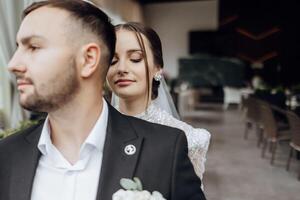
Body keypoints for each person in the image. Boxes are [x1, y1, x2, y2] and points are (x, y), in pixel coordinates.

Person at [0, 1, 206, 200]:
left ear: (90, 59)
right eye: (114, 60)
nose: (13, 64)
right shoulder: (7, 154)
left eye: (34, 47)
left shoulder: (166, 148)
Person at [107, 22, 211, 187]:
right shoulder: (94, 131)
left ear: (157, 68)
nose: (121, 68)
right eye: (112, 61)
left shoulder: (185, 138)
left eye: (135, 59)